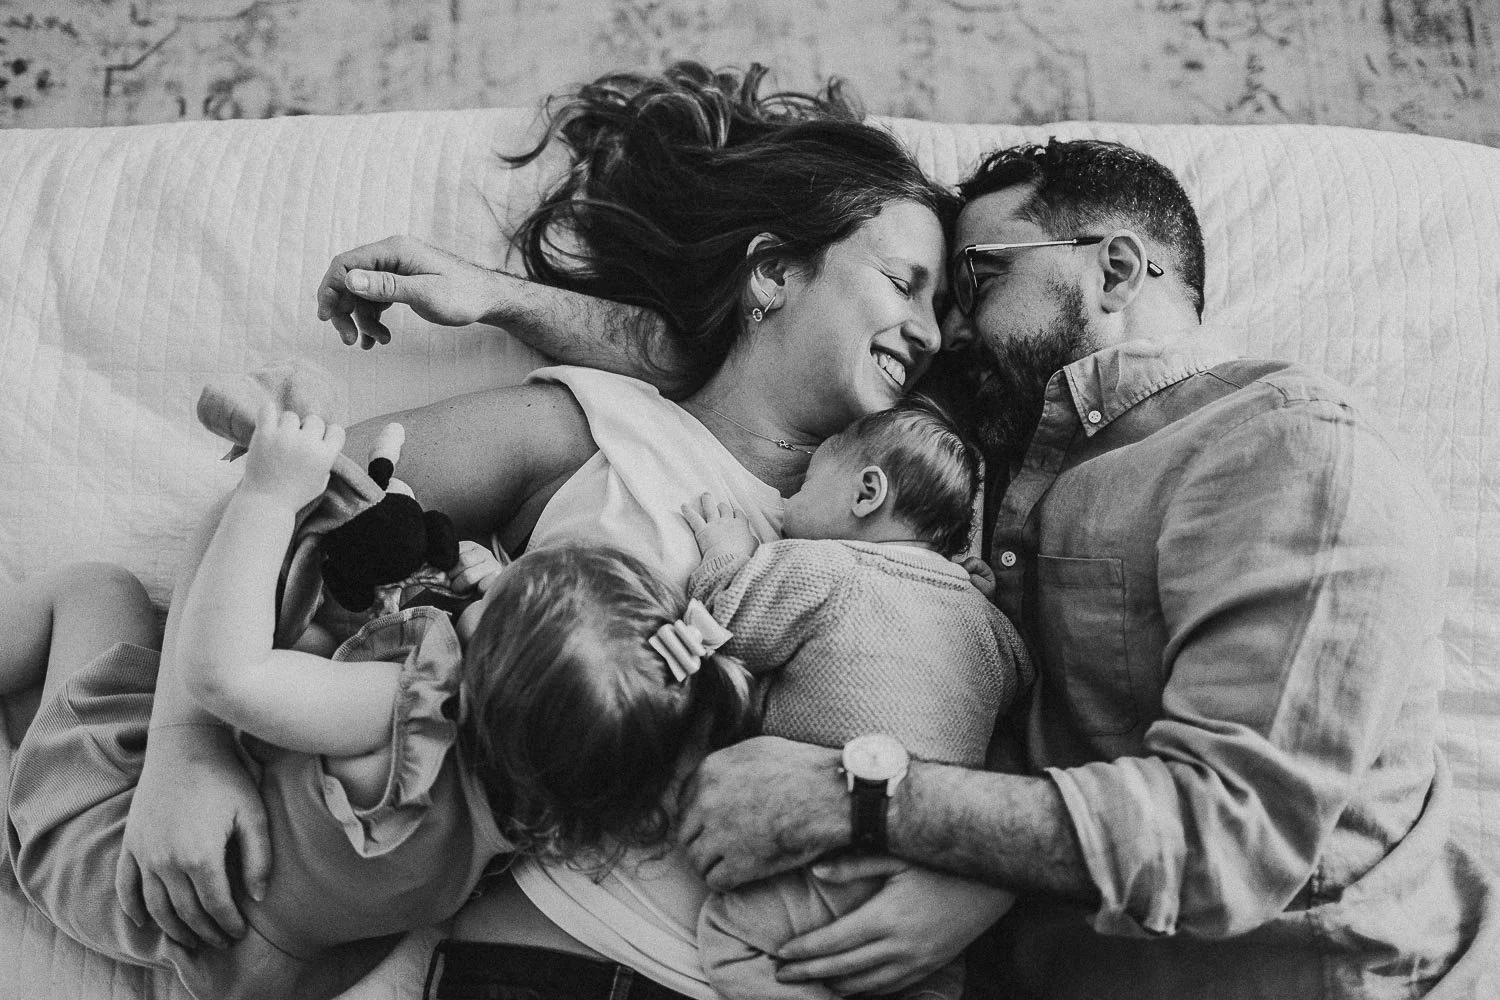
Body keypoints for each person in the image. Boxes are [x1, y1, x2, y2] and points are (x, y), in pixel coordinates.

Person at [322, 135, 1498, 997]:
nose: (949, 330)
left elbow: (1223, 837)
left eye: (978, 280)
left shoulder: (1285, 454)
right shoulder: (997, 466)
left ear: (1118, 268)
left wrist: (881, 807)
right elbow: (757, 361)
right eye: (928, 295)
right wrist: (510, 302)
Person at [107, 62, 1001, 1000]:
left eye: (942, 312)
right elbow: (270, 492)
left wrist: (977, 886)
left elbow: (983, 696)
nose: (932, 334)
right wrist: (186, 747)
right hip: (552, 965)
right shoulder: (593, 427)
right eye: (905, 284)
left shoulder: (918, 506)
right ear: (773, 271)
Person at [2, 404, 755, 1000]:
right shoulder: (530, 816)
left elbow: (223, 674)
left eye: (509, 585)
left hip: (108, 842)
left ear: (478, 676)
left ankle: (26, 812)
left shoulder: (402, 708)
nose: (494, 567)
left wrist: (269, 496)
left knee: (98, 590)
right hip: (240, 956)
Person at [680, 398, 1032, 1000]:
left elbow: (727, 625)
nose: (784, 503)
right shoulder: (986, 625)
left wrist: (725, 549)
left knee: (732, 937)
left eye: (807, 481)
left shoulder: (824, 567)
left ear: (867, 493)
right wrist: (983, 599)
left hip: (824, 855)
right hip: (934, 873)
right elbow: (1016, 684)